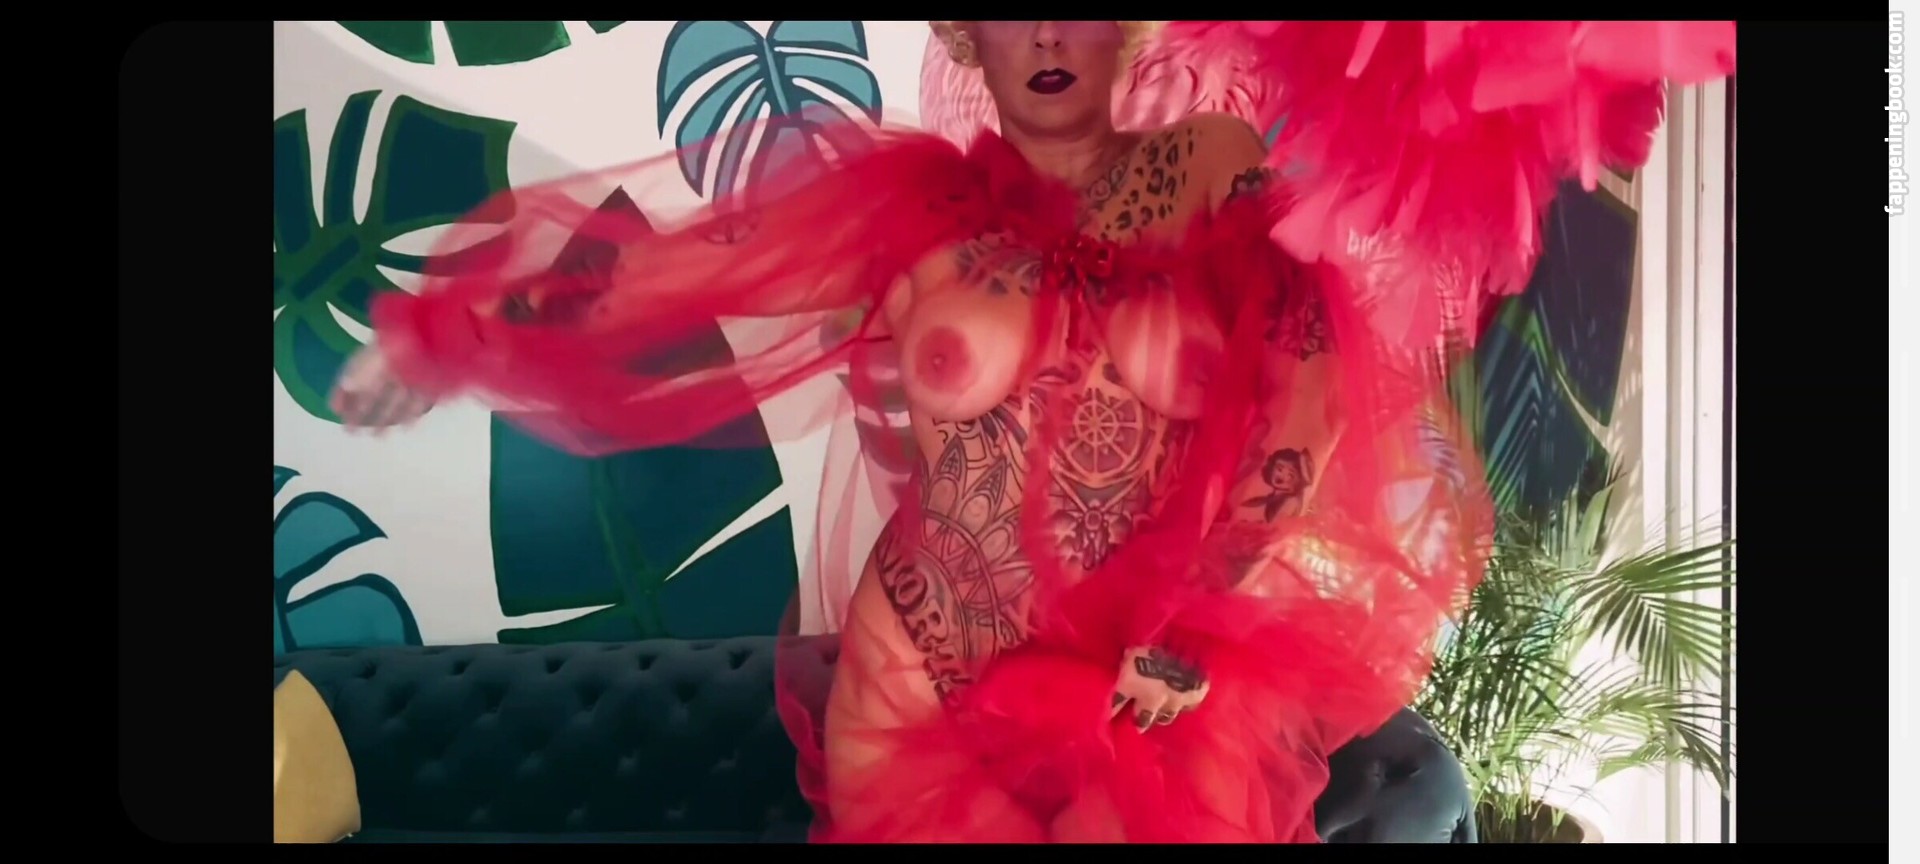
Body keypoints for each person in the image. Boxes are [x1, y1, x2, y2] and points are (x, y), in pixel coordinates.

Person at [331, 20, 1732, 842]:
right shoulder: (910, 213)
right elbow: (677, 274)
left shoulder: (1212, 172)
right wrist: (445, 336)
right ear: (962, 34)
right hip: (919, 683)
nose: (1049, 36)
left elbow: (1300, 390)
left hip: (1143, 694)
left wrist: (1202, 611)